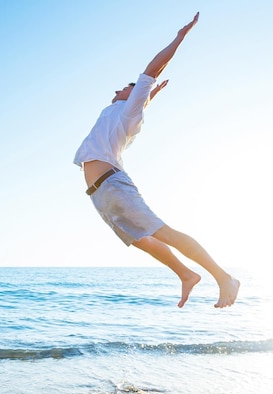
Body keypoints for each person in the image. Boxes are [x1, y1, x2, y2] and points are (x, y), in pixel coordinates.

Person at [73, 13, 239, 308]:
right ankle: (186, 274)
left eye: (124, 88)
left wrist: (180, 37)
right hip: (99, 195)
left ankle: (224, 277)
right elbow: (142, 98)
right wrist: (152, 96)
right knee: (141, 240)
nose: (116, 91)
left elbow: (152, 69)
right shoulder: (120, 114)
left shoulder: (128, 111)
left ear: (134, 95)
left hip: (112, 186)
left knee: (164, 233)